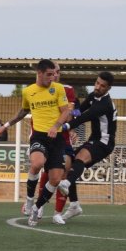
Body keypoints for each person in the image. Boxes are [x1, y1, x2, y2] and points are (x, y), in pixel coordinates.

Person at [0, 59, 70, 227]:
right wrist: (5, 126)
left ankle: (37, 208)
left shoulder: (58, 89)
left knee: (56, 179)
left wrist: (56, 125)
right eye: (49, 74)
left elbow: (66, 111)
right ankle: (29, 200)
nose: (52, 77)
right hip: (39, 136)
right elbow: (23, 111)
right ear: (39, 73)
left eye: (54, 74)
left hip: (56, 138)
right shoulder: (28, 91)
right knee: (37, 163)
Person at [58, 71, 117, 221]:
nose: (97, 87)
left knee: (79, 159)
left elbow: (84, 117)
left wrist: (64, 126)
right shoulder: (93, 96)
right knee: (70, 163)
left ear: (108, 88)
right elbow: (80, 111)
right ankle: (74, 206)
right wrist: (71, 114)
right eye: (97, 83)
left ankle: (67, 183)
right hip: (94, 140)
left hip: (104, 142)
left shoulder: (105, 104)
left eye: (102, 86)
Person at [36, 62, 82, 225]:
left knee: (63, 174)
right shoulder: (39, 90)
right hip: (44, 136)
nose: (56, 74)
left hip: (63, 138)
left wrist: (72, 121)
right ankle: (39, 205)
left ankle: (57, 213)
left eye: (58, 72)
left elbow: (76, 112)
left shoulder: (67, 90)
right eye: (53, 72)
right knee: (47, 172)